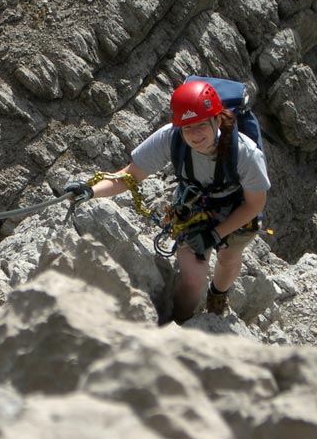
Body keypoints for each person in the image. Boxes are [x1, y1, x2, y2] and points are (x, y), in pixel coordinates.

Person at [65, 80, 271, 323]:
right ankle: (177, 326)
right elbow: (129, 177)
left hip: (238, 209)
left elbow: (254, 204)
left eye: (201, 125)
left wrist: (215, 235)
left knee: (228, 258)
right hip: (194, 207)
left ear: (217, 120)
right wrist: (90, 190)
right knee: (193, 281)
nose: (194, 135)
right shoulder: (170, 138)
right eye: (187, 127)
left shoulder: (245, 154)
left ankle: (217, 296)